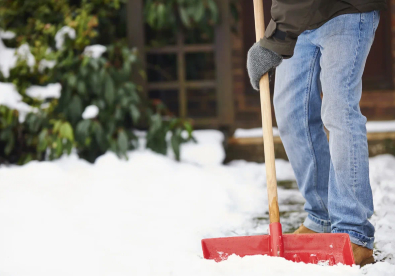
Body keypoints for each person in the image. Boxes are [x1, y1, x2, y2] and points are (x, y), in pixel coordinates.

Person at [247, 0, 386, 266]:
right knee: (290, 111)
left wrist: (275, 38)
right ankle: (321, 217)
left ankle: (353, 231)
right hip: (299, 21)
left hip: (347, 9)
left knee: (338, 110)